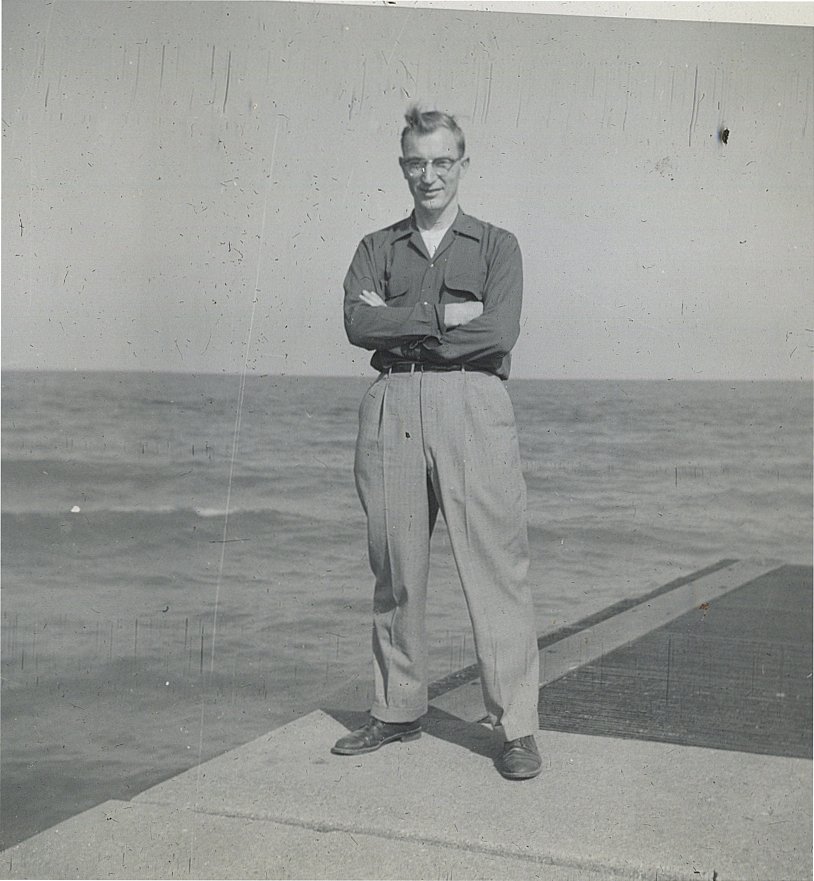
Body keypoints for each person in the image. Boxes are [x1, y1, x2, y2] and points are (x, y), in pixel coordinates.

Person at [335, 106, 541, 780]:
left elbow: (498, 331)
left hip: (472, 404)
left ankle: (516, 728)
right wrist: (442, 314)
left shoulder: (497, 246)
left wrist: (400, 323)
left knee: (495, 568)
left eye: (442, 162)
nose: (430, 175)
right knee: (396, 567)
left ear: (462, 165)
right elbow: (356, 324)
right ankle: (397, 709)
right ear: (403, 167)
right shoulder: (377, 247)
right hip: (392, 403)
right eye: (417, 162)